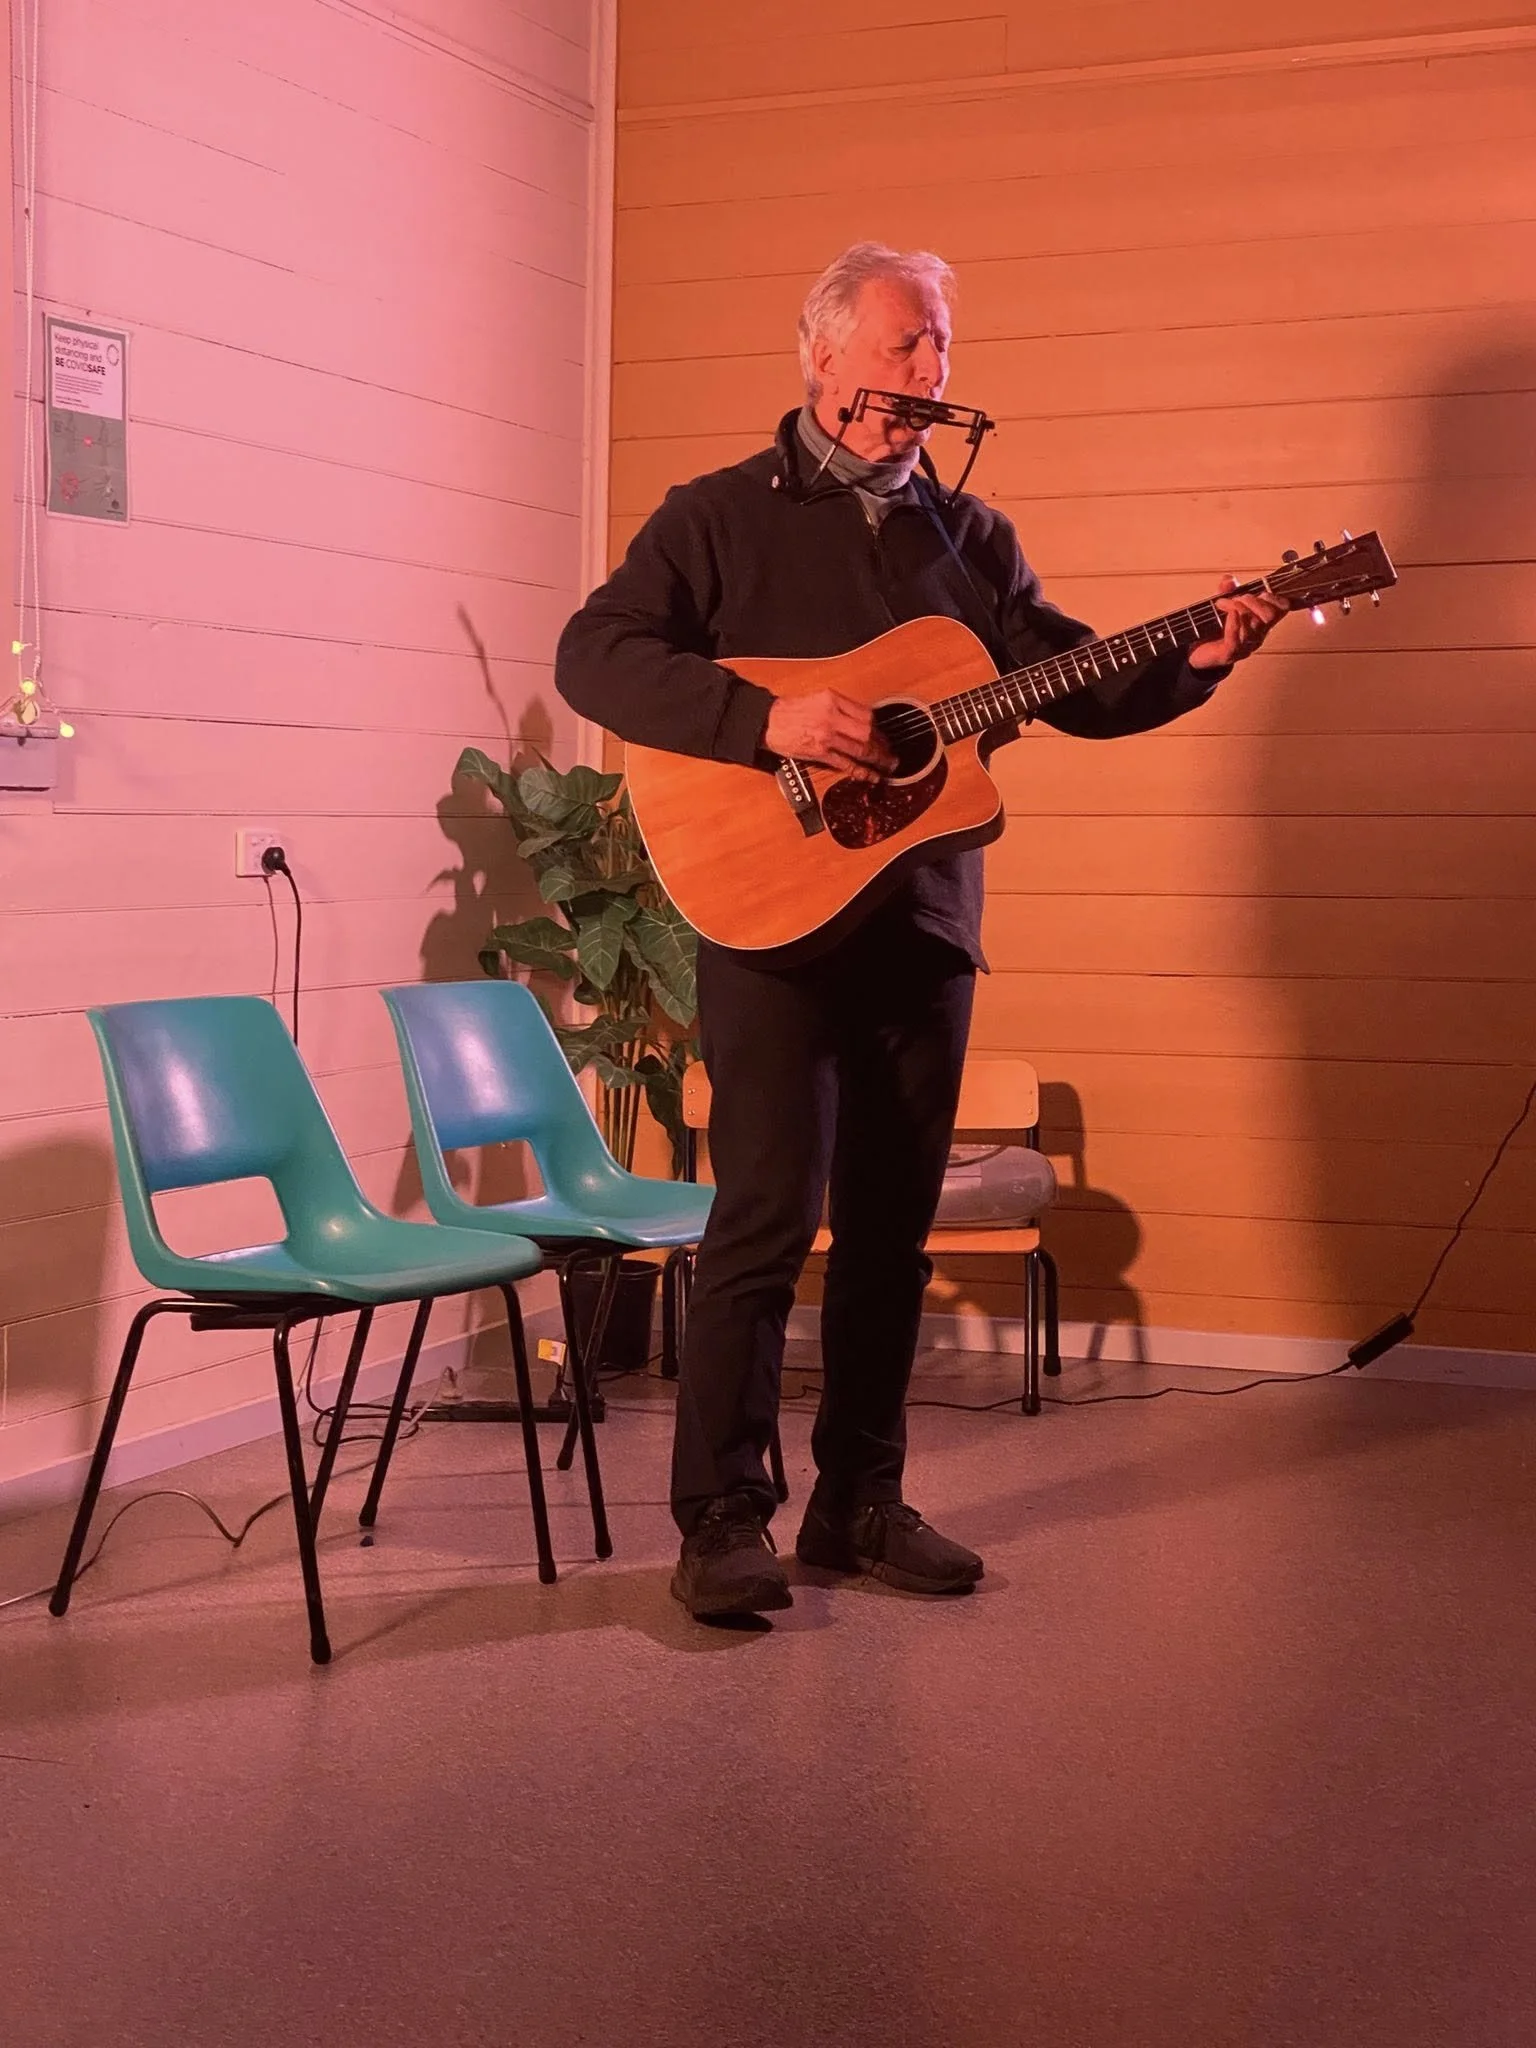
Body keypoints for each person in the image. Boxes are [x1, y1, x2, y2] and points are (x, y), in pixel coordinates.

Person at [555, 242, 1284, 1621]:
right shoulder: (714, 519)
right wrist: (760, 717)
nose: (928, 372)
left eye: (939, 346)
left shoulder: (970, 539)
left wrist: (1192, 665)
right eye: (903, 345)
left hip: (923, 931)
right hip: (768, 921)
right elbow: (596, 654)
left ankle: (859, 1503)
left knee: (893, 1231)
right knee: (767, 1220)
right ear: (822, 358)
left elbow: (1073, 684)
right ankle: (720, 1518)